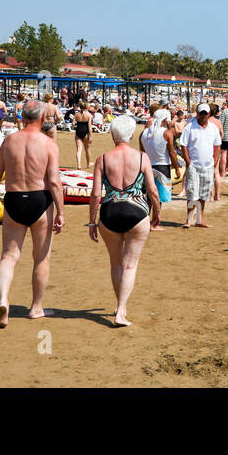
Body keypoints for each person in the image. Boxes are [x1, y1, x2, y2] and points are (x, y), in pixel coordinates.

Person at [0, 100, 65, 327]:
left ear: (21, 117)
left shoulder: (9, 141)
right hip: (39, 200)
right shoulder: (48, 144)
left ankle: (3, 300)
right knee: (41, 257)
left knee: (8, 256)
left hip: (14, 199)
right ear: (42, 119)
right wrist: (61, 211)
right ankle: (36, 308)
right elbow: (53, 181)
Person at [86, 115, 159, 326]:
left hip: (109, 212)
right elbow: (152, 190)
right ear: (132, 134)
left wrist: (92, 222)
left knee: (116, 263)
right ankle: (121, 311)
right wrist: (158, 213)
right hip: (136, 211)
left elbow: (95, 195)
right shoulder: (141, 158)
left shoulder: (103, 159)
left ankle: (120, 306)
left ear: (111, 134)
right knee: (130, 265)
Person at [178, 103, 221, 227]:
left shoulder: (213, 128)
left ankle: (200, 219)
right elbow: (183, 145)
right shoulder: (190, 127)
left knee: (203, 194)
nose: (203, 116)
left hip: (208, 166)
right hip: (194, 166)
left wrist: (215, 163)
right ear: (197, 113)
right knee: (192, 193)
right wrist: (188, 162)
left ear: (209, 114)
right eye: (201, 113)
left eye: (205, 113)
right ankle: (189, 219)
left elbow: (218, 146)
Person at [138, 112, 176, 229]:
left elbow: (142, 152)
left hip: (148, 166)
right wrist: (177, 167)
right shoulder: (166, 133)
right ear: (165, 119)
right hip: (163, 167)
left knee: (149, 196)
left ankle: (144, 221)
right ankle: (155, 223)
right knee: (159, 198)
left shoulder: (143, 133)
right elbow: (171, 152)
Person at [73, 101, 93, 168]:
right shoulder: (89, 115)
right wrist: (91, 136)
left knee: (79, 149)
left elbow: (73, 124)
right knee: (87, 149)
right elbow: (89, 127)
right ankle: (88, 164)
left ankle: (79, 165)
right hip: (85, 132)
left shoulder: (76, 114)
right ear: (86, 107)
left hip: (78, 131)